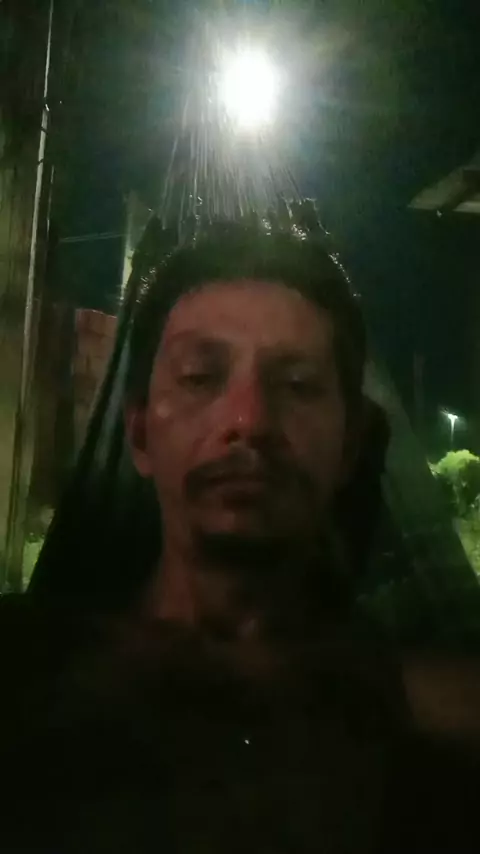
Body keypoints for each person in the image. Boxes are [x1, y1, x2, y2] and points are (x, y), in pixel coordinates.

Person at [0, 206, 478, 852]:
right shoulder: (26, 671)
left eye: (298, 385)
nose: (249, 421)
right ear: (138, 434)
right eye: (201, 377)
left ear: (350, 446)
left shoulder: (424, 705)